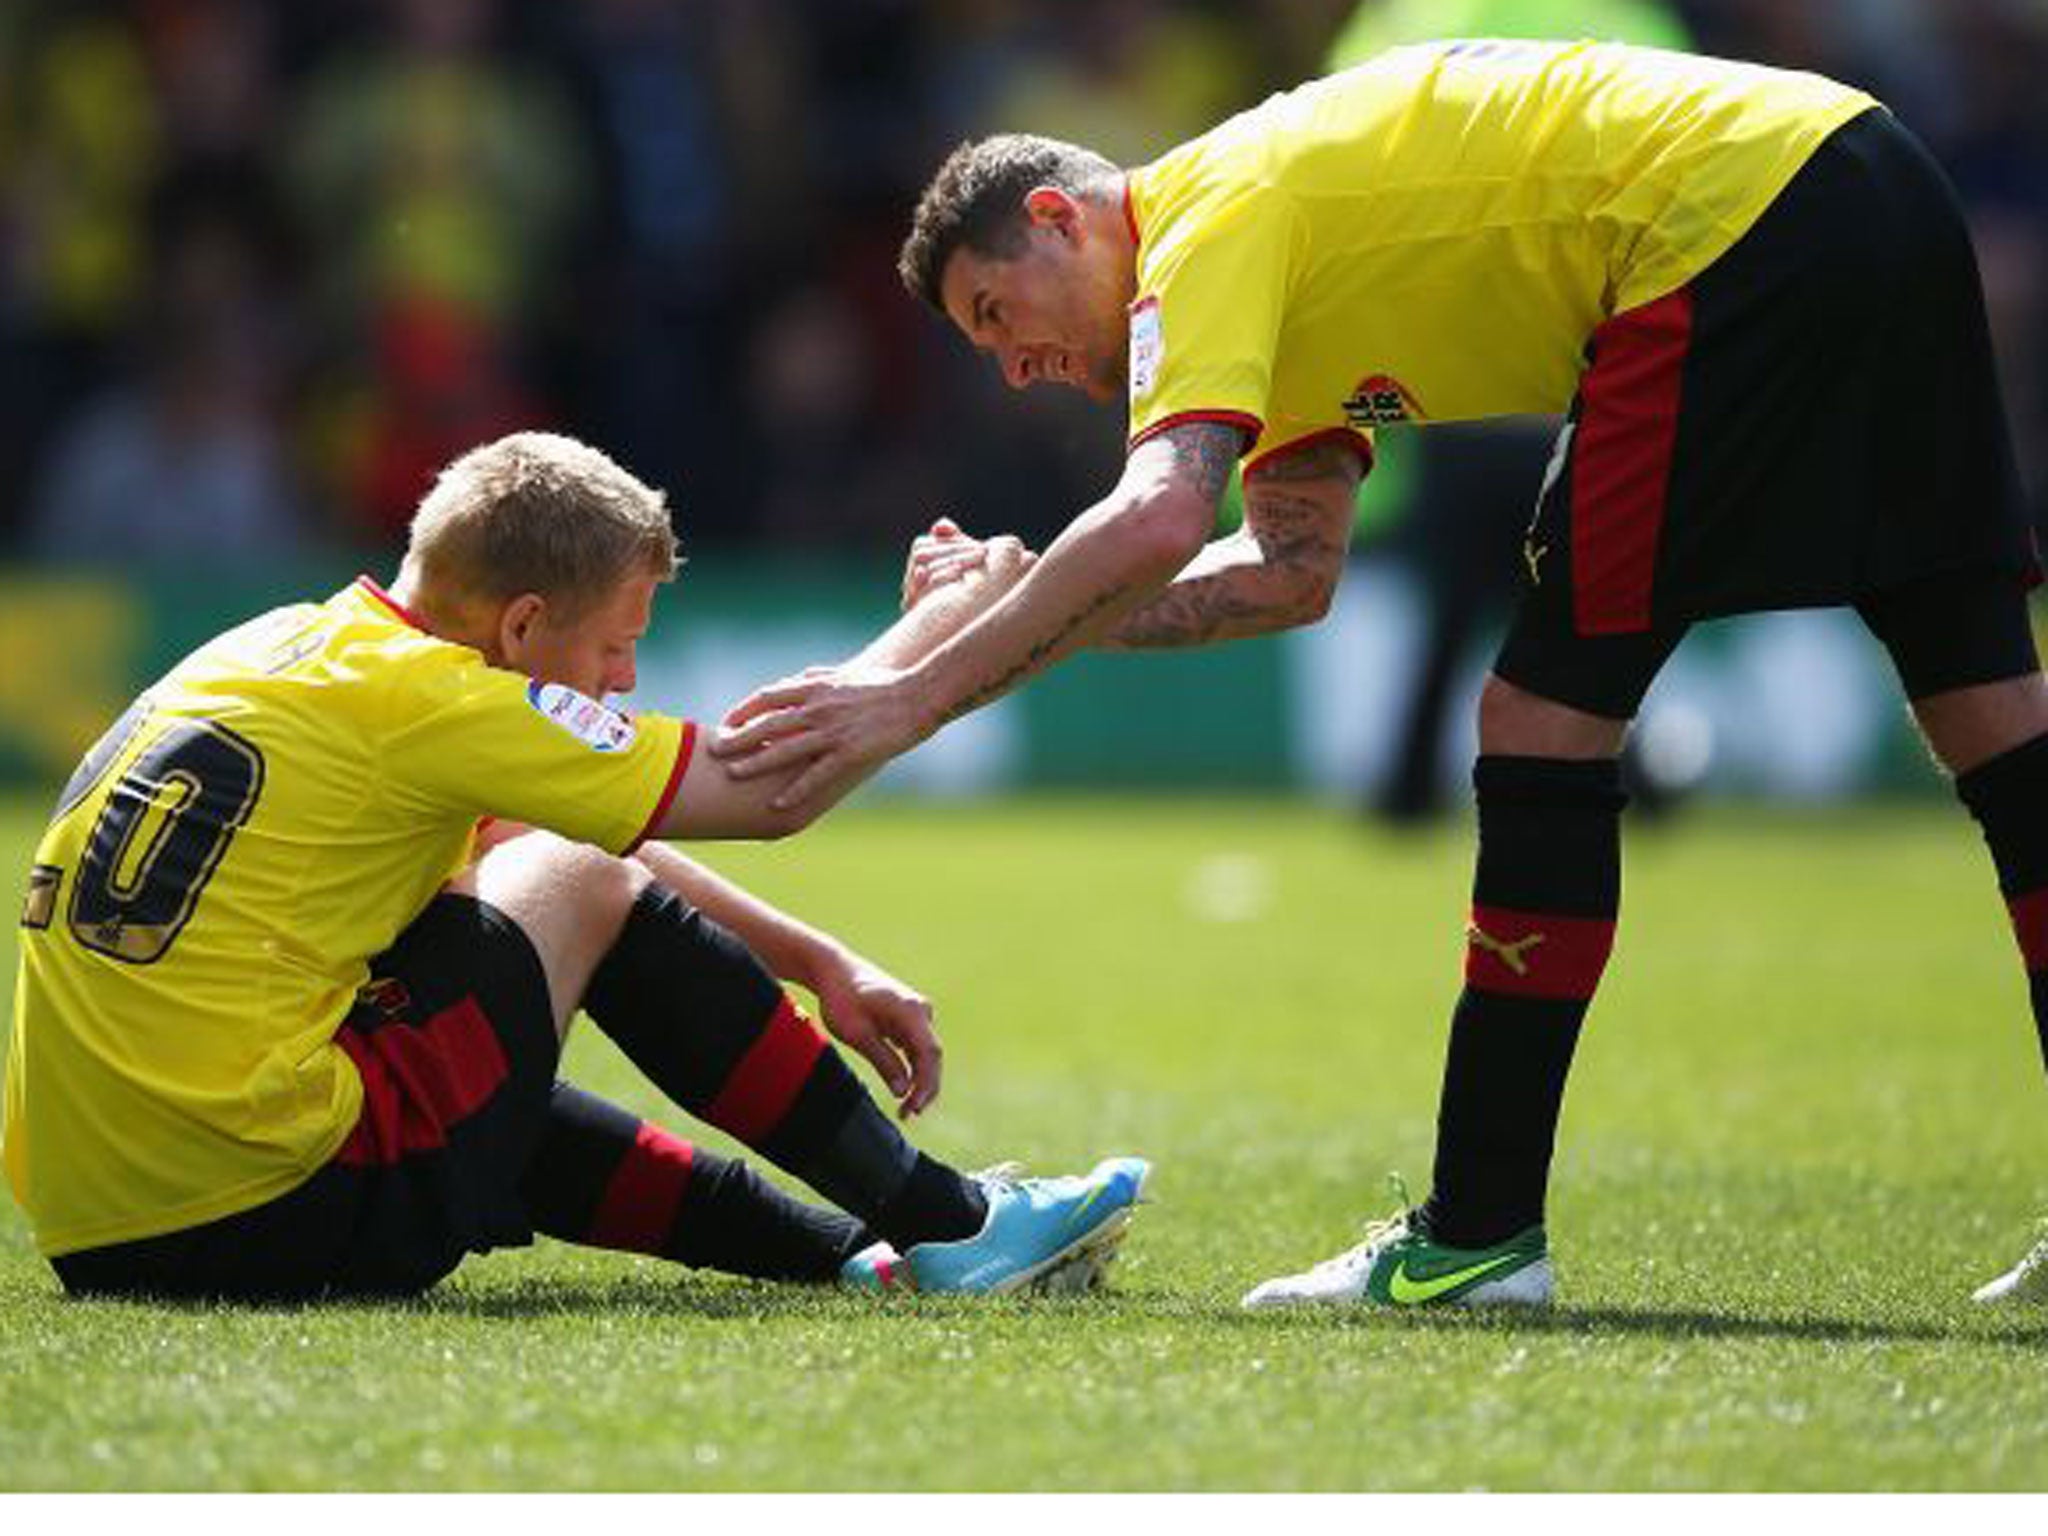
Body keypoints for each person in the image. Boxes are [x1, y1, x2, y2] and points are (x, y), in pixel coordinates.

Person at [711, 39, 2048, 1308]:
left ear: (1062, 216)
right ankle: (1483, 1230)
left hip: (1729, 225)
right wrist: (1021, 610)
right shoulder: (1261, 271)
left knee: (1540, 724)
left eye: (998, 314)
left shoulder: (1200, 224)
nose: (1014, 370)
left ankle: (1478, 1234)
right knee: (1989, 705)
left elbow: (1158, 519)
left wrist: (906, 695)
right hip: (1865, 175)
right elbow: (1288, 573)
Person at [3, 431, 1148, 1302]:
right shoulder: (436, 699)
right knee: (552, 911)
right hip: (261, 1206)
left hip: (98, 1220)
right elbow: (759, 794)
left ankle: (859, 1258)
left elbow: (563, 845)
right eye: (615, 645)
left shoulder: (279, 648)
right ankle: (949, 1224)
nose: (622, 684)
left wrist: (813, 958)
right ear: (520, 628)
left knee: (462, 997)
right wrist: (945, 623)